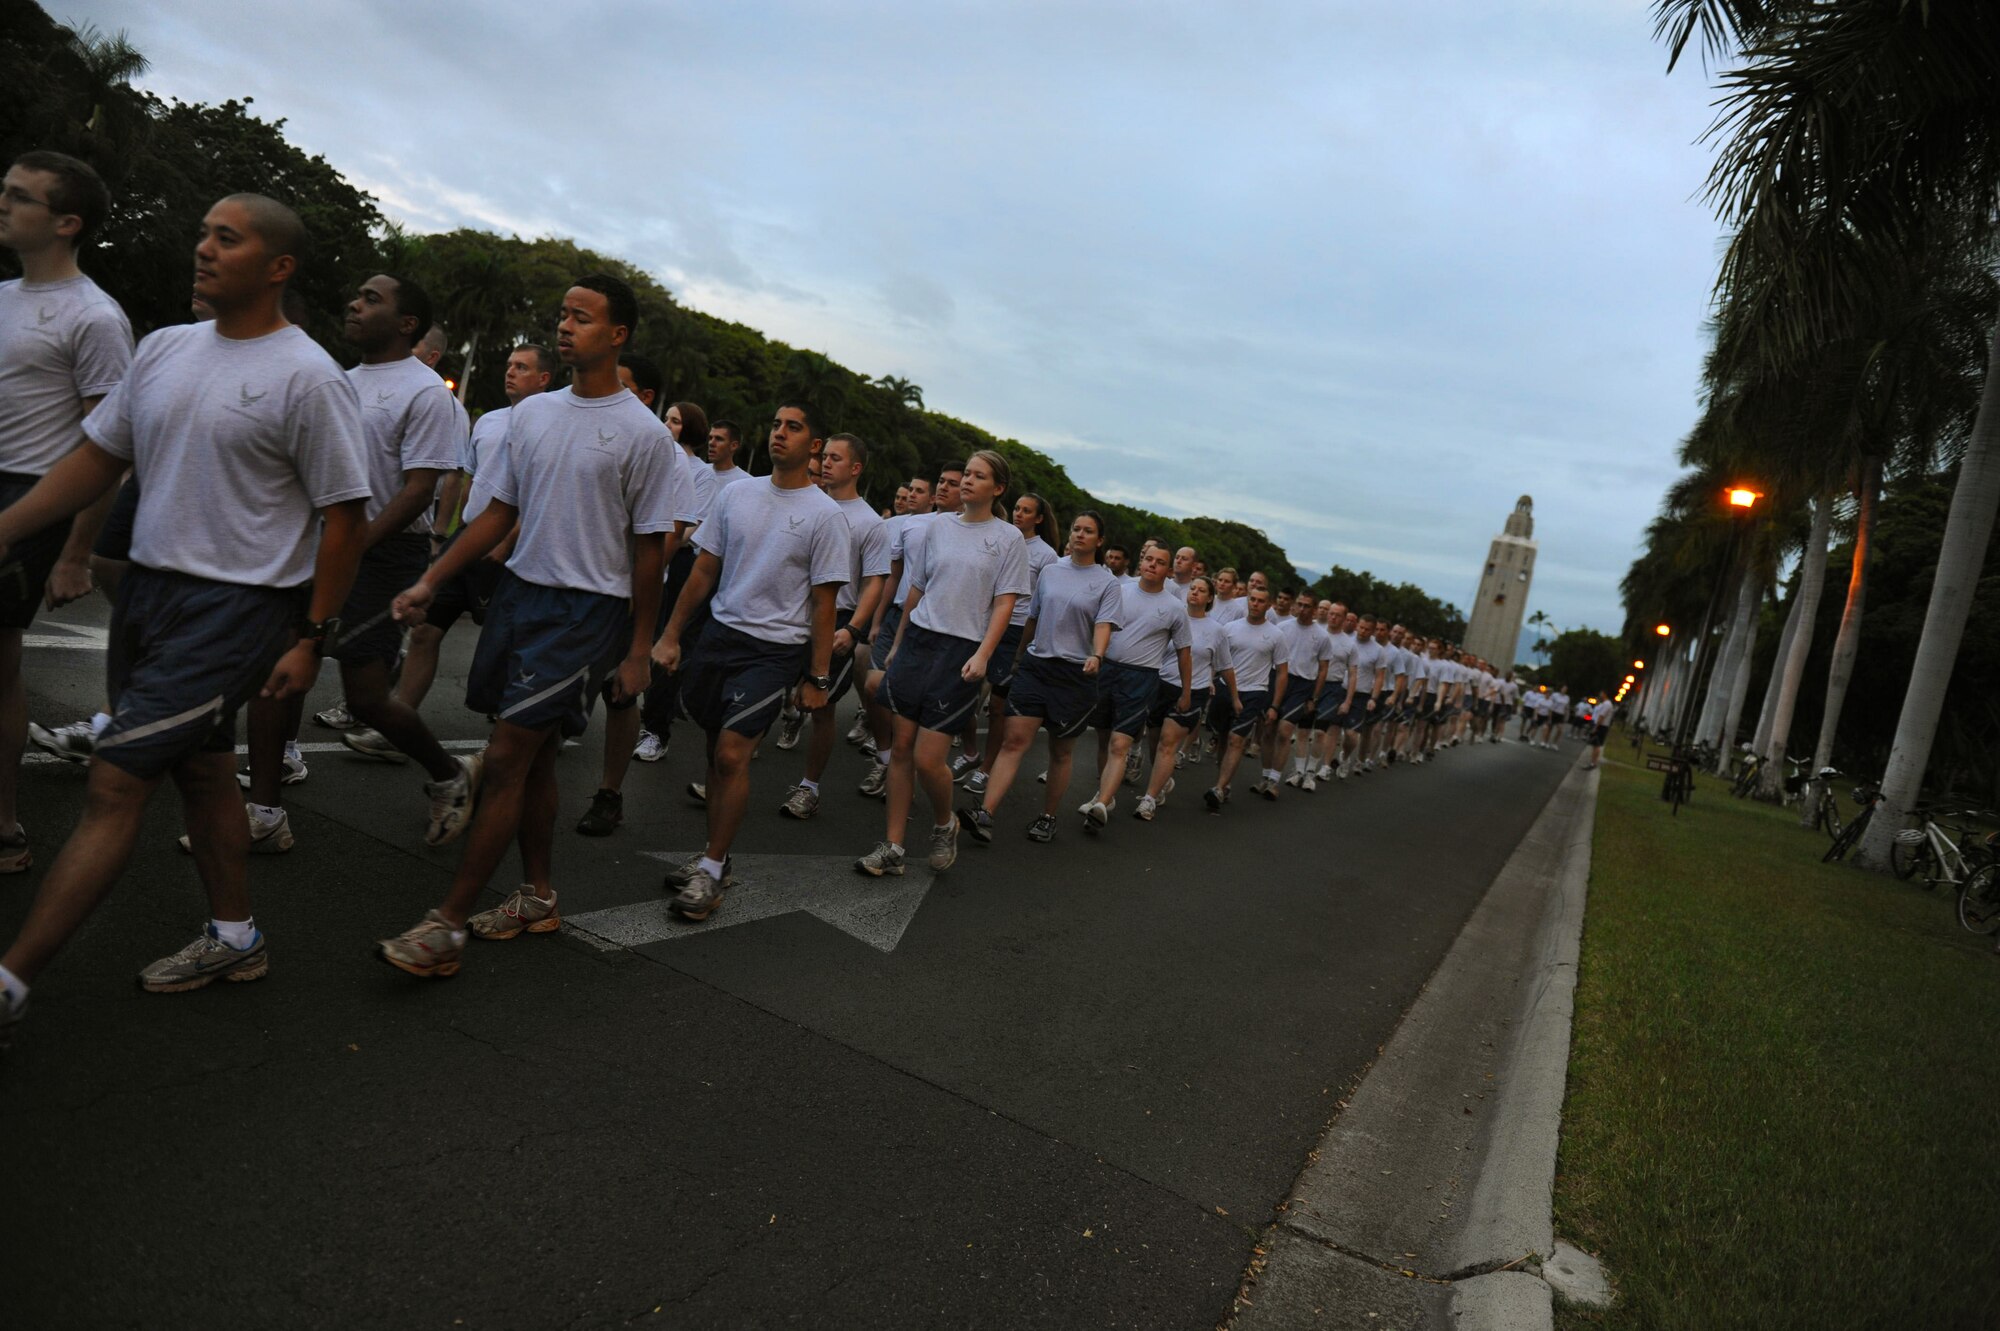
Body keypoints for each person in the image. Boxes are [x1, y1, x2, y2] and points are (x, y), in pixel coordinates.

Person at [0, 193, 370, 1043]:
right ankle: (236, 937)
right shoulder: (165, 348)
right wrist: (10, 530)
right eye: (204, 233)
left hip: (237, 608)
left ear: (277, 267)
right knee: (202, 772)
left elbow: (344, 517)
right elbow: (95, 458)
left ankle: (12, 981)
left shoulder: (309, 376)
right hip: (151, 598)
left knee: (116, 778)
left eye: (226, 239)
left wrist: (312, 637)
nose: (202, 248)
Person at [376, 272, 681, 976]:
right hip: (521, 595)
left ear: (618, 335)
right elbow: (497, 514)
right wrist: (432, 577)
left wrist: (639, 648)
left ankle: (446, 925)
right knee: (534, 755)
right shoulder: (535, 415)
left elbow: (649, 550)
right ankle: (538, 894)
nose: (566, 325)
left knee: (508, 755)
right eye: (563, 314)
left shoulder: (643, 436)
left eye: (583, 316)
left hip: (587, 612)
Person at [654, 405, 846, 918]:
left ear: (815, 446)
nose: (780, 432)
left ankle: (712, 872)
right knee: (717, 753)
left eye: (795, 427)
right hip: (719, 637)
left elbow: (824, 603)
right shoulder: (737, 494)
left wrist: (817, 676)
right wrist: (671, 634)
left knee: (732, 757)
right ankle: (716, 854)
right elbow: (703, 570)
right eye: (777, 423)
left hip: (774, 650)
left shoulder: (826, 515)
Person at [0, 150, 134, 865]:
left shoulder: (95, 317)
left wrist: (78, 551)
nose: (3, 203)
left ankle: (5, 828)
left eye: (20, 197)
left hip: (30, 494)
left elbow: (105, 445)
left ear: (65, 222)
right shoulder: (3, 296)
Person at [858, 450, 1028, 876]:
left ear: (998, 488)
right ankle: (893, 846)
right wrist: (898, 643)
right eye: (965, 474)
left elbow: (1005, 604)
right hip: (918, 641)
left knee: (928, 758)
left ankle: (943, 822)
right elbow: (917, 588)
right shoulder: (936, 527)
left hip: (963, 650)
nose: (967, 481)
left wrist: (984, 654)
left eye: (978, 476)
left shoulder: (1008, 538)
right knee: (901, 747)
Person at [377, 343, 553, 726]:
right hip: (472, 537)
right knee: (424, 630)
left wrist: (505, 542)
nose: (510, 372)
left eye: (521, 367)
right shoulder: (488, 420)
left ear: (543, 379)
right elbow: (472, 479)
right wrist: (456, 531)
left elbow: (542, 495)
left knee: (507, 646)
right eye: (509, 365)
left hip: (515, 546)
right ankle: (399, 726)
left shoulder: (550, 426)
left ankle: (516, 733)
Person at [574, 356, 704, 834]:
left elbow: (670, 533)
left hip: (628, 594)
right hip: (576, 589)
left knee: (621, 693)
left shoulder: (666, 455)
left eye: (620, 384)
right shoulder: (580, 425)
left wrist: (637, 585)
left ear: (644, 396)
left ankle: (609, 792)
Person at [956, 509, 1120, 845]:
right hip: (1036, 666)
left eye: (1089, 531)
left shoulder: (1107, 583)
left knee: (1060, 752)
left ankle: (1048, 817)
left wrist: (1097, 655)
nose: (1080, 535)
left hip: (1076, 673)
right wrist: (1018, 657)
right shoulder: (1050, 571)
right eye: (1076, 528)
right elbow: (1032, 617)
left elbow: (1103, 625)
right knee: (1014, 741)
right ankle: (985, 812)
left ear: (1099, 540)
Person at [774, 431, 888, 821]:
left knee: (821, 708)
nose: (826, 463)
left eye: (836, 458)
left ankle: (809, 788)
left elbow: (875, 581)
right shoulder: (807, 503)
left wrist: (853, 629)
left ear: (855, 468)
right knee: (768, 689)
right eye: (825, 456)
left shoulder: (870, 522)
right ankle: (729, 765)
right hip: (790, 614)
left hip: (836, 620)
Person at [1078, 545, 1191, 828]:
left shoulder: (1176, 608)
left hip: (1141, 678)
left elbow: (1184, 653)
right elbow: (1098, 626)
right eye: (1148, 559)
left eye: (1160, 562)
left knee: (1121, 742)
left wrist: (1186, 692)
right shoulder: (1118, 591)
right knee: (1104, 739)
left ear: (1168, 570)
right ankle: (1104, 794)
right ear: (1141, 562)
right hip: (1107, 670)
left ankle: (1103, 802)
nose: (1153, 565)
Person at [632, 398, 717, 765]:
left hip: (677, 562)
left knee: (664, 645)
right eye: (665, 418)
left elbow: (693, 525)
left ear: (692, 428)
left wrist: (658, 537)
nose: (667, 424)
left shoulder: (701, 472)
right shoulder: (653, 455)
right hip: (638, 555)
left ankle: (656, 730)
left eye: (676, 420)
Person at [961, 492, 1059, 798]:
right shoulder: (1000, 536)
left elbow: (1045, 603)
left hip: (1017, 629)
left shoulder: (1046, 555)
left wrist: (1029, 645)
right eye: (1017, 508)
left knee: (999, 707)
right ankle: (970, 752)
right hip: (985, 623)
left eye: (1027, 511)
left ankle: (986, 769)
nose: (1019, 514)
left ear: (1039, 519)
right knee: (963, 693)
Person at [1136, 573, 1232, 819]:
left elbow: (1225, 666)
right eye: (1193, 588)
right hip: (1161, 685)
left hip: (1192, 690)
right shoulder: (1173, 617)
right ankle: (1163, 781)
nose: (1195, 592)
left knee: (1168, 743)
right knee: (1155, 743)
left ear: (1210, 598)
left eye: (1201, 590)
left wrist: (1235, 696)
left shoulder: (1217, 631)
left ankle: (1149, 800)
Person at [1207, 582, 1286, 811]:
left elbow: (1281, 672)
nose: (1255, 604)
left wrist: (1274, 705)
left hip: (1254, 692)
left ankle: (1219, 788)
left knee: (1237, 740)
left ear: (1268, 605)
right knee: (1223, 737)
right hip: (1225, 687)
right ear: (1247, 600)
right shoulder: (1230, 628)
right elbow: (1218, 659)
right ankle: (1225, 782)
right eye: (1252, 599)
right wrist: (1210, 681)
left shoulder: (1276, 635)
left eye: (1261, 601)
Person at [708, 418, 752, 490]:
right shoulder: (698, 472)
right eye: (710, 438)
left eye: (719, 439)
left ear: (734, 446)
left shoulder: (745, 482)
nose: (711, 443)